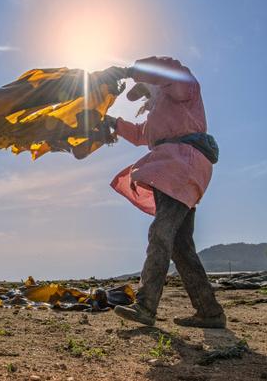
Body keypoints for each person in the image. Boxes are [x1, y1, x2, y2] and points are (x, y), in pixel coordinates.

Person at [93, 56, 226, 329]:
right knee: (181, 246)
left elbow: (171, 71)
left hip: (181, 167)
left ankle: (146, 306)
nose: (145, 95)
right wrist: (110, 122)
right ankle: (210, 312)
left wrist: (130, 70)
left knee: (160, 233)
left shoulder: (183, 90)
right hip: (175, 169)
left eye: (146, 88)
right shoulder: (162, 111)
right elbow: (143, 135)